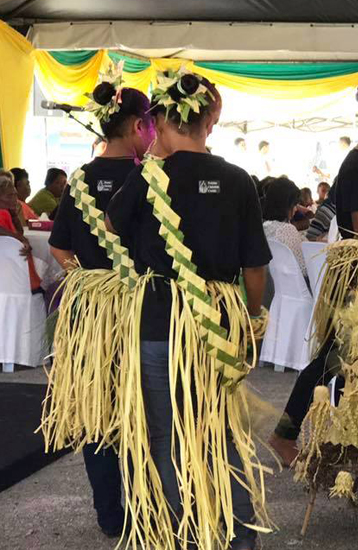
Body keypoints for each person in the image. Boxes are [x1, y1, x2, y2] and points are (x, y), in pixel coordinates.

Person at [106, 71, 271, 550]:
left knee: (165, 435)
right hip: (218, 322)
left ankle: (182, 534)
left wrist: (152, 166)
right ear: (209, 121)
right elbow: (255, 267)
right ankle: (239, 538)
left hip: (158, 324)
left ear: (159, 122)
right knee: (222, 431)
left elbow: (111, 226)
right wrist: (252, 318)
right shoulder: (237, 179)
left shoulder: (147, 178)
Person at [269, 83, 358, 465]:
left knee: (353, 355)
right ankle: (286, 434)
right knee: (335, 355)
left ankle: (345, 434)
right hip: (357, 274)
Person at [42, 82, 155, 539]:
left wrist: (89, 281)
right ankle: (143, 506)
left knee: (97, 407)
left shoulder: (80, 179)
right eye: (151, 125)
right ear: (138, 126)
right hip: (137, 309)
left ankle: (110, 514)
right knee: (140, 405)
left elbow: (58, 247)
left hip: (89, 315)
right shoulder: (149, 177)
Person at [262, 176, 308, 279]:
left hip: (272, 286)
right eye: (294, 205)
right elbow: (304, 269)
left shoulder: (263, 228)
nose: (296, 209)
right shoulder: (286, 230)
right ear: (286, 205)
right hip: (295, 286)